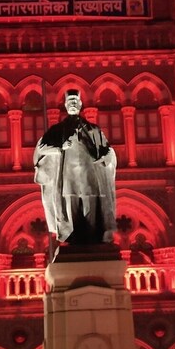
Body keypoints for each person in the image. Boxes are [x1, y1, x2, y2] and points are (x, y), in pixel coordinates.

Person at [34, 90, 117, 248]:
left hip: (90, 179)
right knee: (71, 217)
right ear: (65, 105)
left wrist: (104, 157)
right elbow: (42, 148)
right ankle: (74, 244)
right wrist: (60, 147)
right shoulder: (58, 130)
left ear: (80, 104)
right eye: (70, 101)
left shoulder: (93, 129)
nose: (73, 103)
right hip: (68, 180)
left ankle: (93, 244)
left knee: (91, 214)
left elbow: (108, 151)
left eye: (75, 101)